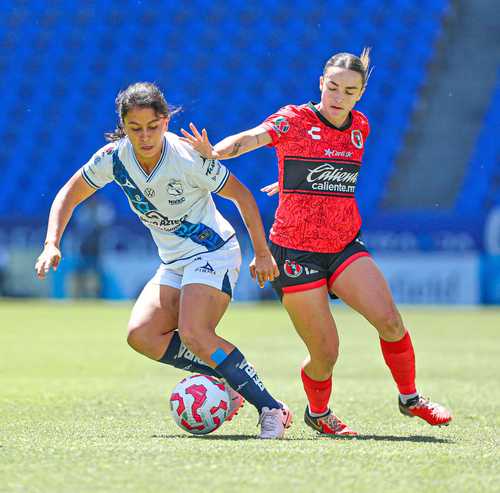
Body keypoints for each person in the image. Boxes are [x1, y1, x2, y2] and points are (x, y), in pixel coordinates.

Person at [180, 48, 453, 436]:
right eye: (333, 87)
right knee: (326, 354)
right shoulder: (294, 119)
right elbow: (253, 138)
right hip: (295, 251)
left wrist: (295, 185)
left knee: (390, 322)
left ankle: (410, 399)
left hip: (344, 244)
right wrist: (216, 151)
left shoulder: (361, 126)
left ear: (360, 94)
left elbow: (326, 170)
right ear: (320, 84)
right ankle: (318, 413)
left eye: (349, 90)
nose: (338, 97)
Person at [35, 82, 292, 439]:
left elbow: (243, 196)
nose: (144, 136)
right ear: (123, 126)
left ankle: (271, 408)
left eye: (152, 127)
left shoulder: (187, 158)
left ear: (166, 122)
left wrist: (261, 253)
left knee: (194, 333)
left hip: (212, 251)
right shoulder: (113, 158)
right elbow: (68, 194)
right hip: (173, 262)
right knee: (142, 335)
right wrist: (52, 243)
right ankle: (228, 381)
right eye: (134, 128)